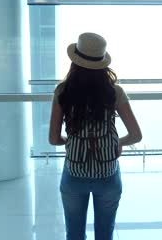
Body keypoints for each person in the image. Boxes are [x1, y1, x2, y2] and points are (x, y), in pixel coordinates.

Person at [49, 32, 142, 240]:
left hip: (74, 174)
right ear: (103, 63)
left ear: (75, 62)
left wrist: (71, 142)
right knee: (104, 234)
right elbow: (136, 135)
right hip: (108, 174)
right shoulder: (115, 92)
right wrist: (118, 142)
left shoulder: (63, 92)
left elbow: (53, 139)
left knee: (74, 234)